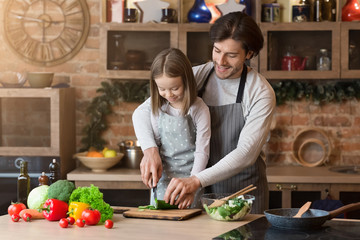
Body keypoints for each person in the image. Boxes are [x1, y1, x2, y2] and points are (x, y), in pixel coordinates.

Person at [133, 12, 276, 213]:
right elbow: (143, 111)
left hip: (240, 193)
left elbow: (246, 153)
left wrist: (196, 180)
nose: (221, 61)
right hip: (202, 193)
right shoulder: (199, 74)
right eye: (217, 50)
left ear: (249, 54)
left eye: (232, 55)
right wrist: (149, 150)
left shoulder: (260, 92)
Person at [132, 48, 211, 209]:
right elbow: (140, 119)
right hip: (163, 182)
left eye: (175, 88)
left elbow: (202, 151)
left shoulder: (199, 108)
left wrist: (193, 183)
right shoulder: (157, 108)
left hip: (191, 179)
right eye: (162, 89)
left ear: (187, 81)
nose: (168, 94)